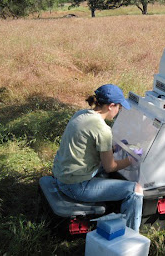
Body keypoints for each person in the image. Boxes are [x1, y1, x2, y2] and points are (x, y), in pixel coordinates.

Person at [52, 84, 143, 231]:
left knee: (105, 173)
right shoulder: (103, 129)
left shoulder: (81, 114)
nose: (118, 111)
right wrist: (131, 160)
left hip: (61, 174)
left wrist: (114, 148)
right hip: (75, 186)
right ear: (111, 106)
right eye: (119, 107)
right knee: (136, 190)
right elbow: (110, 167)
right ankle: (131, 235)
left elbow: (88, 147)